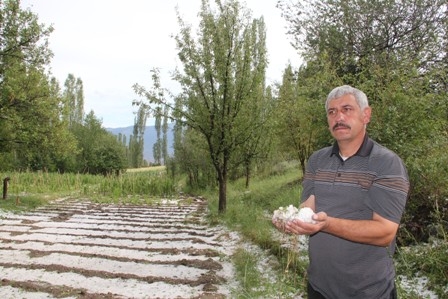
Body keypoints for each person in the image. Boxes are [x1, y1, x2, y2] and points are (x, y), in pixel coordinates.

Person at [273, 85, 409, 299]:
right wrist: (293, 220)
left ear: (366, 115)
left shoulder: (387, 163)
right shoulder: (317, 160)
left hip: (368, 292)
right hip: (319, 287)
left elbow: (385, 232)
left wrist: (327, 224)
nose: (339, 117)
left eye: (347, 109)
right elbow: (309, 207)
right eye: (332, 112)